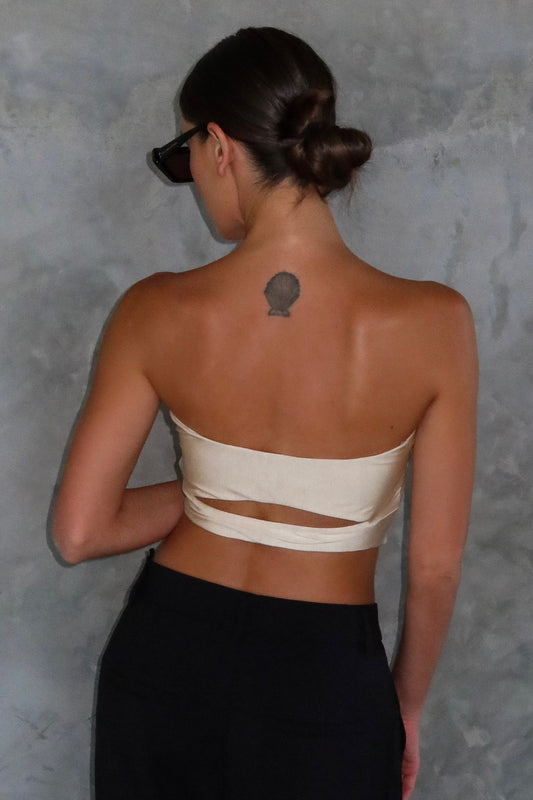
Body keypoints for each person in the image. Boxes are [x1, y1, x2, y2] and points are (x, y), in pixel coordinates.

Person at [52, 26, 477, 800]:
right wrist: (405, 707)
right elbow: (434, 568)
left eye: (182, 153)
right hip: (326, 681)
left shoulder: (154, 310)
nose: (189, 174)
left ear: (217, 146)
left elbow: (81, 532)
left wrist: (218, 492)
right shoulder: (434, 324)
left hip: (166, 663)